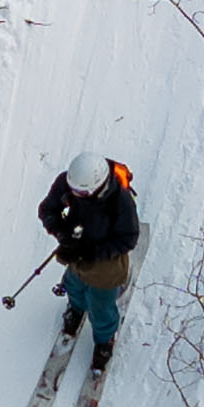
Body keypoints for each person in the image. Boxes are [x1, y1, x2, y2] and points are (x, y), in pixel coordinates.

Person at [37, 151, 139, 368]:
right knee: (74, 285)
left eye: (82, 193)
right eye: (74, 191)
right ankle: (76, 308)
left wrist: (91, 252)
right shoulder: (68, 182)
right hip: (76, 251)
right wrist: (63, 235)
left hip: (105, 262)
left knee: (101, 304)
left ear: (96, 187)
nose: (75, 195)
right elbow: (48, 210)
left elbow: (128, 239)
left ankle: (104, 339)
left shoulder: (120, 201)